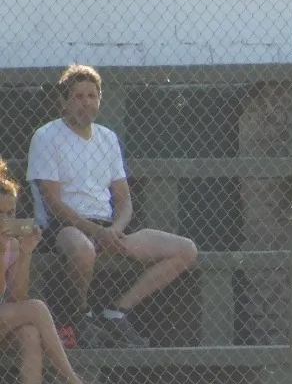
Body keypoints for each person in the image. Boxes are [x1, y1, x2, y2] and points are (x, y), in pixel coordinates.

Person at [27, 63, 198, 348]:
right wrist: (96, 232)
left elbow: (123, 198)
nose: (85, 102)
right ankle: (80, 316)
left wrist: (115, 230)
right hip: (65, 227)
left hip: (109, 228)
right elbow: (53, 202)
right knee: (83, 251)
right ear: (64, 101)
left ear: (100, 100)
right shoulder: (46, 137)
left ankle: (116, 312)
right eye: (78, 96)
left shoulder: (107, 138)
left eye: (92, 95)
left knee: (185, 250)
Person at [0, 159, 94, 384]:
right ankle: (74, 383)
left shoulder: (10, 243)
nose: (5, 220)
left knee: (30, 334)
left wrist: (25, 252)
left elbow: (15, 297)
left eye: (9, 212)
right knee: (37, 309)